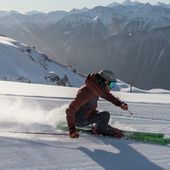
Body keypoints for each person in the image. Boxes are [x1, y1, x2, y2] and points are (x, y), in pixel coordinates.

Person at [66, 70, 128, 138]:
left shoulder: (96, 88)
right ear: (105, 82)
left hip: (87, 114)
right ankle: (100, 131)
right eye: (111, 84)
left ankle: (102, 126)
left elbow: (107, 96)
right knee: (105, 115)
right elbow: (70, 110)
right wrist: (72, 129)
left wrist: (120, 104)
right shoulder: (88, 92)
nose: (111, 87)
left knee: (101, 114)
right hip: (80, 121)